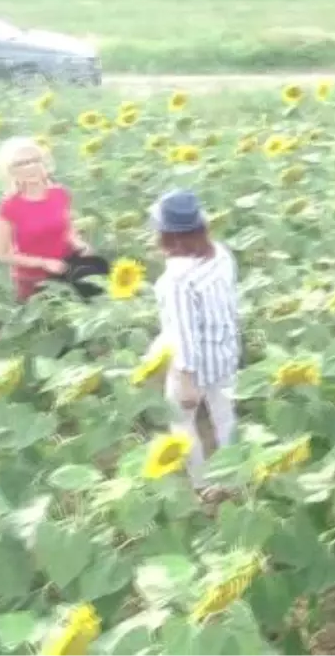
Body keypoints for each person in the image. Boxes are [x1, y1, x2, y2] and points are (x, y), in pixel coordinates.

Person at [148, 189, 241, 499]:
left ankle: (202, 483)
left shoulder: (176, 280)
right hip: (225, 352)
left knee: (182, 423)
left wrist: (186, 380)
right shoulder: (220, 254)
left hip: (193, 364)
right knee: (225, 416)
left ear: (163, 235)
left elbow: (183, 332)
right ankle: (234, 476)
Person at [0, 136, 110, 302]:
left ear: (44, 163)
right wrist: (43, 263)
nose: (31, 167)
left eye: (35, 160)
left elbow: (68, 232)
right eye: (21, 163)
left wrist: (79, 245)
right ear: (11, 171)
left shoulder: (60, 194)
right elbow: (4, 254)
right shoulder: (9, 207)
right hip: (35, 282)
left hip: (68, 269)